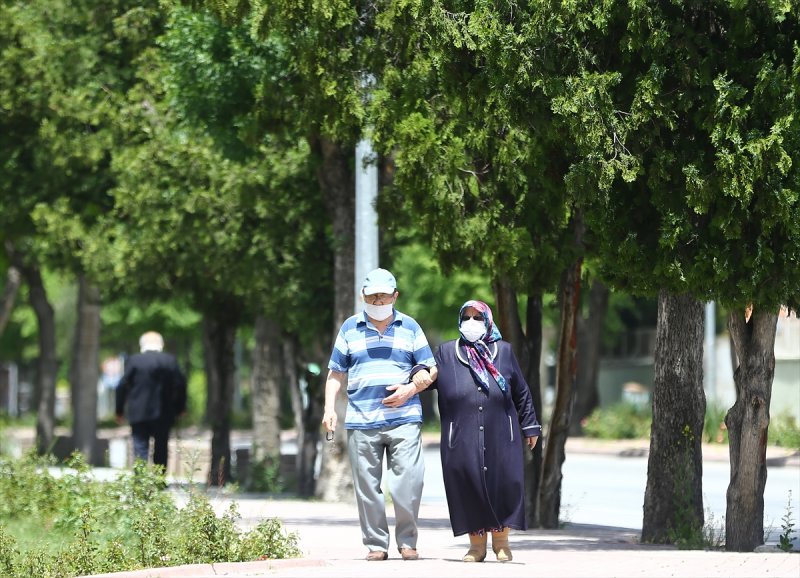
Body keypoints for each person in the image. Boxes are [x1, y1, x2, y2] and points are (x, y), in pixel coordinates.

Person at [322, 268, 438, 561]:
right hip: (362, 420)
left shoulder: (410, 326)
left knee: (410, 481)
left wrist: (412, 388)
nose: (377, 300)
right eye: (372, 296)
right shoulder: (349, 328)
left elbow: (430, 368)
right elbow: (335, 374)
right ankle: (376, 544)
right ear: (363, 296)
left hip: (405, 417)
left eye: (383, 296)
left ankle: (407, 541)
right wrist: (329, 409)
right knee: (367, 488)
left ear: (394, 296)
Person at [429, 300, 541, 562]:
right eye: (466, 317)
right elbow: (426, 377)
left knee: (504, 483)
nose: (471, 322)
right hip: (461, 435)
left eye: (477, 317)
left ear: (488, 321)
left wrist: (530, 426)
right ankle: (476, 547)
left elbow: (521, 392)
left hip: (502, 432)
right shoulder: (446, 353)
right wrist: (413, 378)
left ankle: (501, 543)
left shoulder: (503, 351)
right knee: (468, 485)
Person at [115, 331, 187, 472]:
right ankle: (159, 482)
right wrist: (180, 408)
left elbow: (122, 386)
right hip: (164, 411)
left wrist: (119, 410)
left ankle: (141, 481)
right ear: (161, 344)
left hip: (138, 412)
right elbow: (180, 384)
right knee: (161, 447)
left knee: (140, 447)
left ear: (142, 345)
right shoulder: (169, 360)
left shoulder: (134, 360)